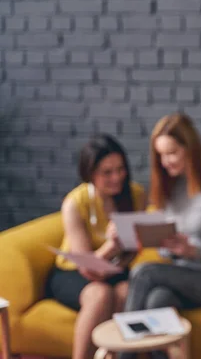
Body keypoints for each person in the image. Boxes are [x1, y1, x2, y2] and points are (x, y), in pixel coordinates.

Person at [118, 113, 201, 359]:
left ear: (190, 149)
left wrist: (193, 249)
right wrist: (164, 244)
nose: (165, 162)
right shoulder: (169, 189)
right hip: (181, 274)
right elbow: (167, 248)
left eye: (171, 153)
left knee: (143, 272)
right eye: (160, 155)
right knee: (158, 300)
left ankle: (124, 355)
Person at [46, 134, 146, 359]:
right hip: (74, 272)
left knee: (127, 292)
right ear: (90, 174)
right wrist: (112, 245)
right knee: (100, 295)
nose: (117, 177)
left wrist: (124, 255)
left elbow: (134, 249)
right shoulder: (75, 203)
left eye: (120, 169)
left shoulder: (136, 194)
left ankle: (116, 355)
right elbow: (85, 265)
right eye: (107, 172)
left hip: (115, 268)